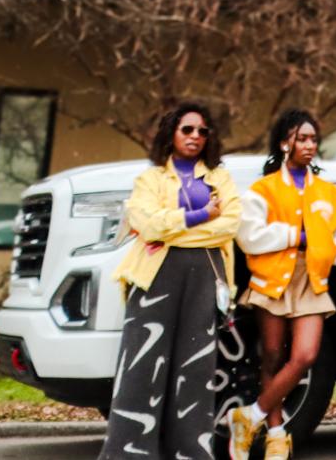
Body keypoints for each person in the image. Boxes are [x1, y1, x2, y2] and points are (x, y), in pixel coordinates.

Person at [99, 102, 242, 460]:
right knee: (141, 365)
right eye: (187, 129)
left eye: (202, 131)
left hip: (205, 277)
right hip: (155, 276)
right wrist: (199, 217)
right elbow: (145, 222)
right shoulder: (149, 179)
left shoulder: (219, 177)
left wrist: (172, 229)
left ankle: (191, 453)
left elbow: (230, 224)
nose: (195, 137)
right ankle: (129, 452)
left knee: (196, 369)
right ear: (171, 133)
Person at [228, 109, 336, 460]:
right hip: (272, 281)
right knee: (271, 357)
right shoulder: (263, 189)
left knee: (304, 356)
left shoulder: (328, 193)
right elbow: (250, 236)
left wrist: (324, 250)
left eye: (314, 139)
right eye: (302, 138)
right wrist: (296, 237)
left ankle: (248, 417)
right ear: (285, 142)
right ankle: (275, 434)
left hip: (311, 281)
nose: (310, 145)